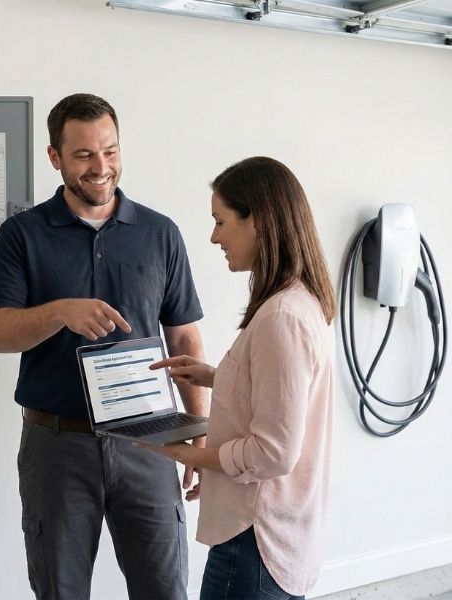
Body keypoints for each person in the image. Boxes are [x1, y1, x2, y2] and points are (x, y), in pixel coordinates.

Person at [0, 93, 208, 600]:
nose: (100, 167)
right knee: (61, 591)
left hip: (149, 443)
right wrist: (59, 312)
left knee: (165, 591)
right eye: (83, 155)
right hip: (58, 448)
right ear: (55, 157)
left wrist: (197, 435)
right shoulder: (22, 235)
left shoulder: (160, 233)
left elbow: (185, 337)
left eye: (110, 151)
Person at [139, 156, 336, 600]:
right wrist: (216, 378)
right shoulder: (297, 303)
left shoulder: (281, 317)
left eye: (221, 221)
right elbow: (280, 399)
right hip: (272, 536)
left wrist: (184, 453)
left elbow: (272, 453)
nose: (214, 237)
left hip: (254, 542)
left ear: (259, 222)